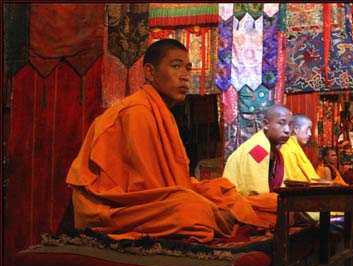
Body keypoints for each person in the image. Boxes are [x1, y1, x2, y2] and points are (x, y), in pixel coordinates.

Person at [66, 39, 277, 243]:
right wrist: (203, 204)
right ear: (150, 72)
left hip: (156, 200)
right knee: (191, 209)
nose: (185, 76)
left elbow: (174, 182)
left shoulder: (161, 112)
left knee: (226, 192)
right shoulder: (137, 112)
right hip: (112, 208)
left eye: (188, 68)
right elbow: (147, 188)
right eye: (176, 67)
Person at [223, 104, 292, 195]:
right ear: (266, 124)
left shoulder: (273, 151)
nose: (287, 130)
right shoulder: (258, 149)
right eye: (281, 123)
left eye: (290, 125)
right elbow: (256, 192)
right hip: (244, 203)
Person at [280, 114, 321, 183]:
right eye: (308, 129)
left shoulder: (295, 147)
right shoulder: (288, 150)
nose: (310, 134)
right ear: (296, 129)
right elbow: (291, 181)